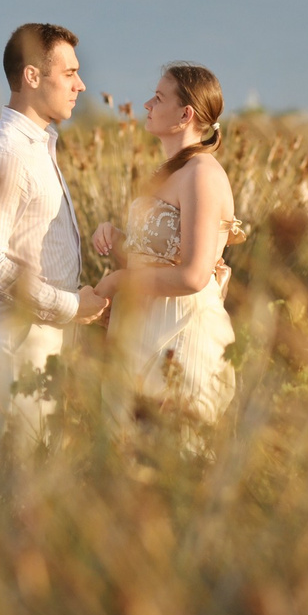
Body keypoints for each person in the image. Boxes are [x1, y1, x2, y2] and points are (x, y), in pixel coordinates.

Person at [0, 23, 109, 438]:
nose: (80, 85)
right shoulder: (4, 155)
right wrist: (67, 305)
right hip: (15, 337)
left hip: (43, 332)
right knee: (26, 479)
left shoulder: (37, 146)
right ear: (31, 77)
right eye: (69, 74)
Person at [90, 63, 239, 425]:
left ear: (185, 114)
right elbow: (160, 255)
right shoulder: (172, 171)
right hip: (140, 325)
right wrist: (118, 238)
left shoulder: (202, 173)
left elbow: (192, 276)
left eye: (158, 97)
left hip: (177, 329)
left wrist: (118, 281)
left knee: (170, 449)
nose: (146, 105)